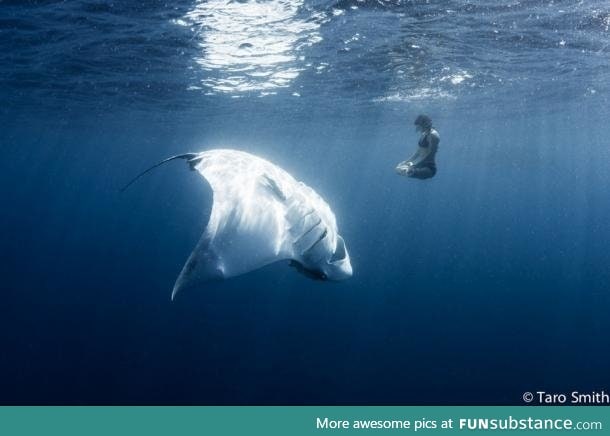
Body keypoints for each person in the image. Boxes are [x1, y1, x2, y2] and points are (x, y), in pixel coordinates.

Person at [396, 114, 440, 179]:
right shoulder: (424, 134)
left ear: (425, 125)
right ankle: (409, 169)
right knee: (398, 169)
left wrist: (414, 166)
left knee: (409, 172)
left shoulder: (433, 135)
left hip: (429, 169)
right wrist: (405, 162)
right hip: (419, 165)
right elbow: (418, 152)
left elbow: (430, 155)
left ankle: (410, 170)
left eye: (419, 126)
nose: (417, 129)